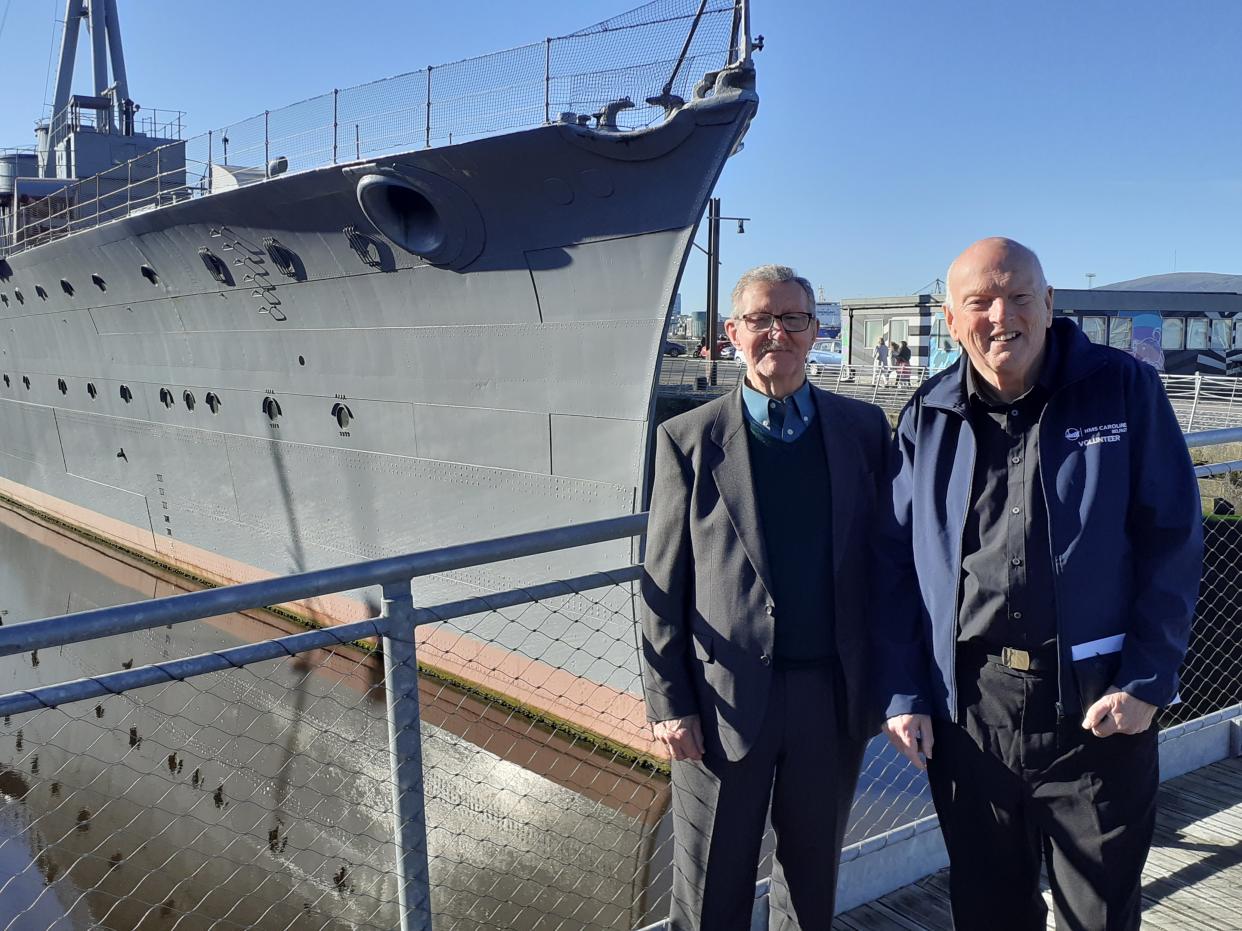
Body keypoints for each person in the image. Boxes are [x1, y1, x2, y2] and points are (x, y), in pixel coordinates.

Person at [879, 237, 1203, 930]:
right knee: (989, 910)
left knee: (1101, 914)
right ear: (951, 317)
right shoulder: (927, 417)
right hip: (973, 713)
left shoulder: (1123, 388)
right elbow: (896, 571)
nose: (1003, 315)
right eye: (981, 301)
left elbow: (1171, 539)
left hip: (1097, 709)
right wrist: (906, 690)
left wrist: (1148, 680)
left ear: (1049, 303)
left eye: (1020, 296)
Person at [642, 264, 893, 930]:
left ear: (815, 331)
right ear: (732, 333)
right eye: (760, 319)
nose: (777, 332)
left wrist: (892, 687)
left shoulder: (863, 430)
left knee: (811, 885)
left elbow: (886, 565)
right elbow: (662, 584)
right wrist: (669, 703)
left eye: (793, 319)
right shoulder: (689, 439)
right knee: (708, 891)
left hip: (829, 699)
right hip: (723, 700)